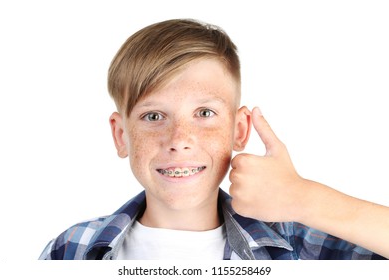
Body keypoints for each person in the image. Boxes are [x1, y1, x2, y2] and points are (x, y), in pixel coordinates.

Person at [39, 18, 389, 260]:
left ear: (239, 130)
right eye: (153, 116)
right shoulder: (72, 250)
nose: (180, 139)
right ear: (121, 135)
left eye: (204, 113)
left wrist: (304, 197)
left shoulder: (294, 244)